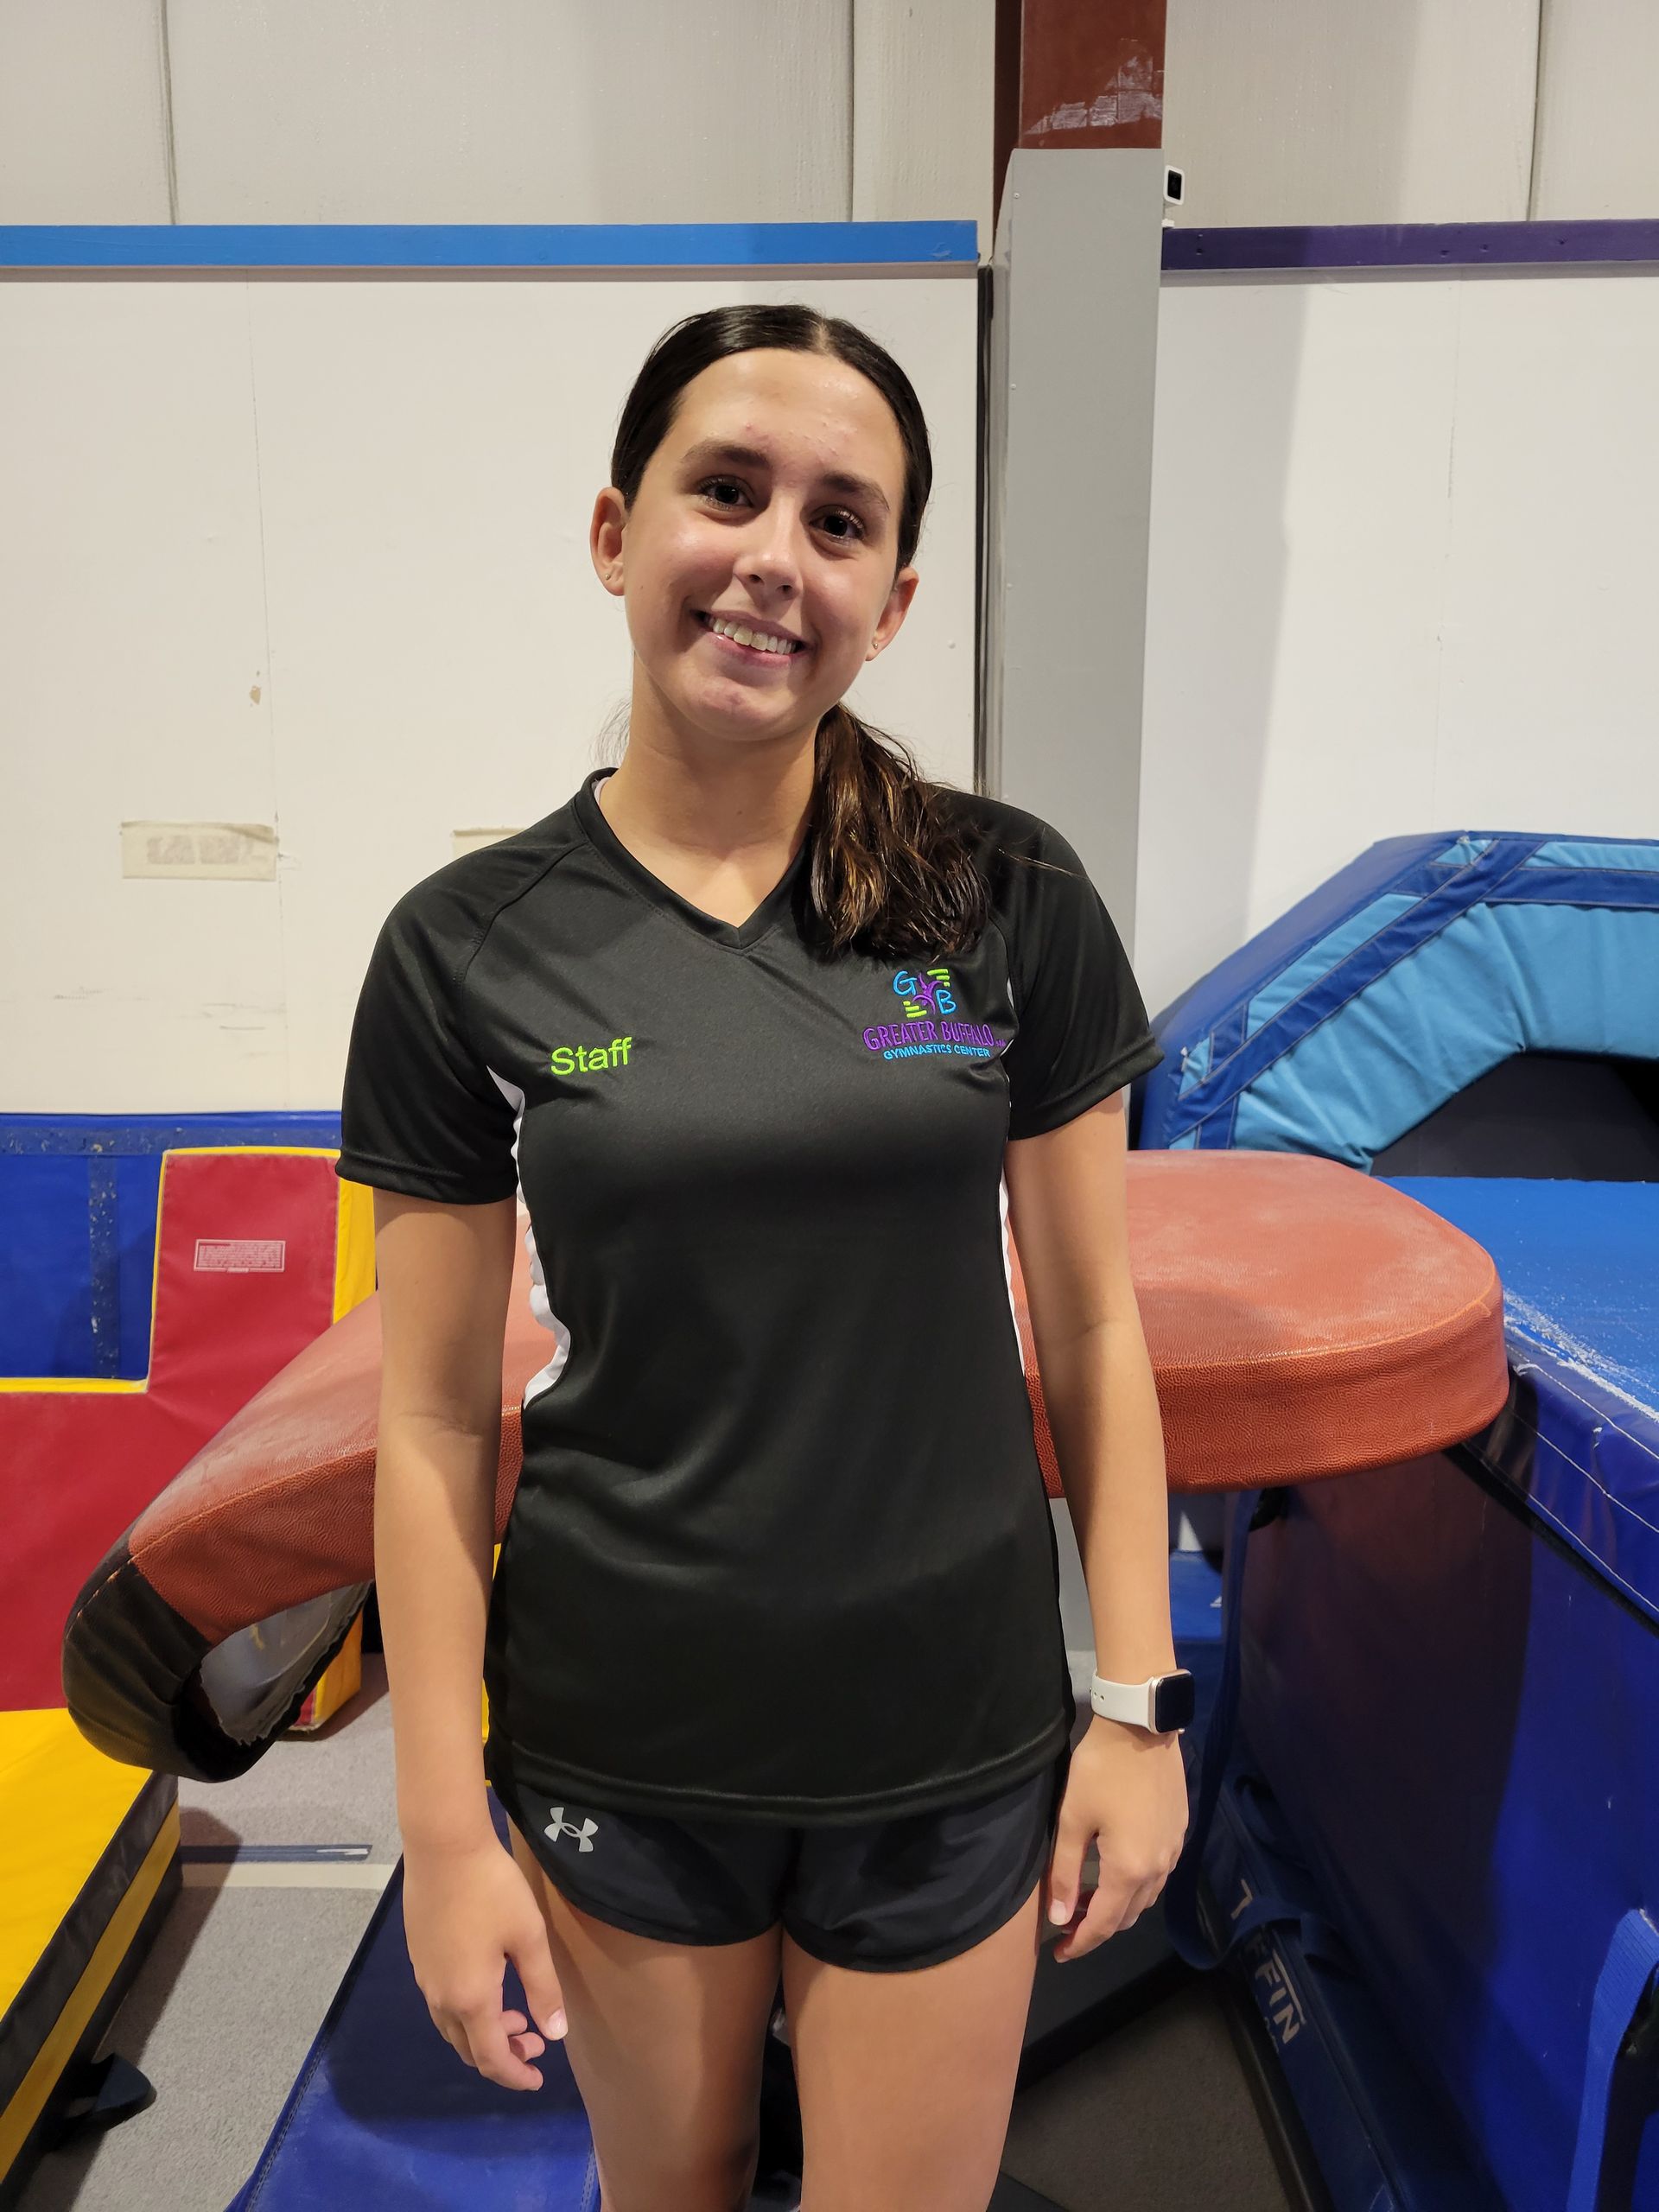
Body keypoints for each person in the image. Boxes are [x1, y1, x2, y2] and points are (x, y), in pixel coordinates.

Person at [334, 302, 1190, 2212]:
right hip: (625, 1737)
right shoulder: (471, 940)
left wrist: (1135, 1695)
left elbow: (1098, 1328)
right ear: (616, 531)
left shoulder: (1005, 895)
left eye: (839, 519)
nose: (771, 558)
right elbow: (428, 1424)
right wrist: (443, 1817)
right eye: (726, 491)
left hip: (947, 1730)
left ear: (890, 601)